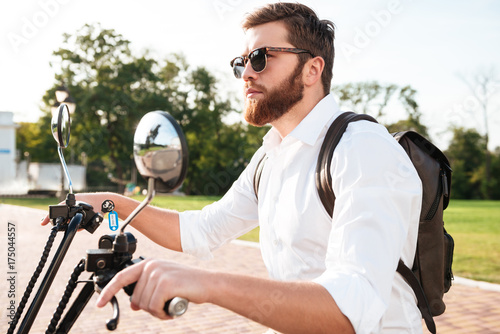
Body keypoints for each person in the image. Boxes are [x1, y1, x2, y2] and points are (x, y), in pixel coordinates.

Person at [43, 3, 423, 333]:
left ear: (312, 69)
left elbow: (349, 312)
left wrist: (205, 284)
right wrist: (113, 203)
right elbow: (202, 230)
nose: (246, 74)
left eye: (261, 58)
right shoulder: (272, 156)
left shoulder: (361, 149)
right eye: (242, 62)